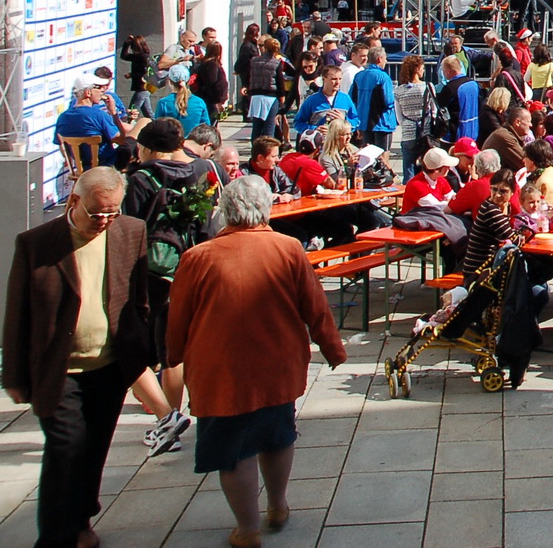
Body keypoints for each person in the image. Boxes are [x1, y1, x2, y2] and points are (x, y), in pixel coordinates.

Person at [166, 177, 345, 548]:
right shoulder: (288, 248)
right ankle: (277, 505)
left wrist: (173, 356)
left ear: (225, 211)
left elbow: (178, 317)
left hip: (220, 368)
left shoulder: (197, 257)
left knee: (234, 449)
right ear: (265, 209)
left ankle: (247, 529)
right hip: (276, 362)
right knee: (277, 434)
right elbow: (315, 306)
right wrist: (332, 349)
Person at [3, 167, 153, 548]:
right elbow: (17, 314)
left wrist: (141, 347)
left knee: (95, 447)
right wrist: (14, 376)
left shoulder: (131, 231)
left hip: (109, 366)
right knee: (66, 448)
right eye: (97, 213)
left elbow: (138, 298)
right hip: (59, 369)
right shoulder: (37, 243)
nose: (105, 221)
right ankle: (55, 537)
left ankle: (81, 519)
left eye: (112, 213)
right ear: (74, 201)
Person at [348, 47, 398, 151]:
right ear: (380, 59)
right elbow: (388, 101)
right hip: (382, 123)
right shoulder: (383, 77)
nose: (386, 61)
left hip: (364, 123)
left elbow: (352, 97)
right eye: (385, 58)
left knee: (367, 154)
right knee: (383, 154)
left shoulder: (359, 75)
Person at [292, 64, 356, 138]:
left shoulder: (345, 99)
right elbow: (297, 123)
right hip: (320, 142)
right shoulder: (312, 100)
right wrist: (314, 129)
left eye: (340, 79)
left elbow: (356, 121)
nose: (337, 82)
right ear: (324, 79)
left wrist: (344, 120)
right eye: (333, 79)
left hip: (340, 142)